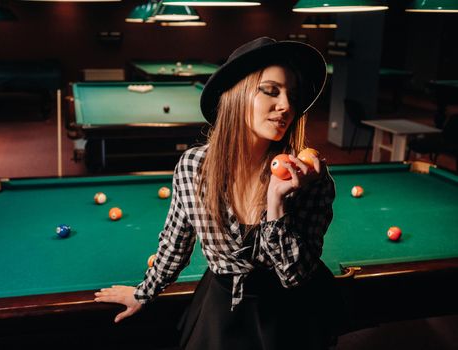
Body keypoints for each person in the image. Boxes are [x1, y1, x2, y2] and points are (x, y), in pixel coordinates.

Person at [95, 37, 340, 350]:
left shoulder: (309, 179)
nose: (286, 106)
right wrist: (143, 292)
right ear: (237, 95)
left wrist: (277, 204)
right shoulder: (193, 166)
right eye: (271, 90)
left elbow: (295, 276)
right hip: (220, 307)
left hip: (289, 316)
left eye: (292, 96)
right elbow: (176, 243)